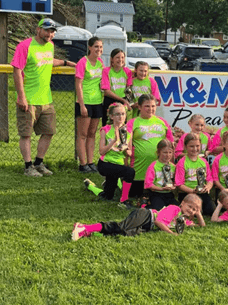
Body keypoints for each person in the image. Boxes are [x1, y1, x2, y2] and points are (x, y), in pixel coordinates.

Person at [11, 18, 77, 177]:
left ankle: (38, 163)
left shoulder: (50, 45)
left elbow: (48, 61)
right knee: (26, 134)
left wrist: (67, 63)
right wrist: (22, 97)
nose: (50, 33)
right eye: (47, 30)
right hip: (29, 98)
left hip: (46, 99)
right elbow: (17, 70)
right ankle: (28, 167)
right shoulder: (25, 46)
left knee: (49, 131)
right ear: (38, 30)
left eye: (52, 31)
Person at [71, 193, 205, 240]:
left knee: (125, 233)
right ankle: (84, 228)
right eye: (190, 207)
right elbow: (158, 221)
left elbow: (201, 227)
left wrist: (198, 214)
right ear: (182, 204)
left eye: (194, 209)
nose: (191, 210)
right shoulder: (174, 209)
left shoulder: (184, 221)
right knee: (121, 226)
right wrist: (171, 233)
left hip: (147, 226)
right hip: (146, 216)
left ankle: (92, 233)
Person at [83, 103, 135, 207]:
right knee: (130, 172)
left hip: (119, 165)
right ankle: (124, 200)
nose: (120, 117)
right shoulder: (105, 130)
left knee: (107, 196)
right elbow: (101, 151)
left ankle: (92, 185)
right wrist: (114, 141)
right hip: (106, 164)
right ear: (111, 116)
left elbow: (130, 153)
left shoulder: (128, 131)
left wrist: (125, 150)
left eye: (123, 114)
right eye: (117, 114)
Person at [126, 94, 175, 198]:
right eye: (147, 106)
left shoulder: (162, 122)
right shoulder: (132, 123)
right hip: (139, 172)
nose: (151, 109)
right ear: (139, 107)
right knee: (136, 195)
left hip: (160, 172)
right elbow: (127, 145)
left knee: (157, 195)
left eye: (153, 106)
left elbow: (171, 145)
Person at [75, 36, 105, 173]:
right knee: (83, 134)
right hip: (85, 101)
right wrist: (82, 105)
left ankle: (91, 162)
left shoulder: (100, 63)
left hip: (97, 101)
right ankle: (82, 164)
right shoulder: (83, 62)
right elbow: (78, 84)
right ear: (90, 47)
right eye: (96, 47)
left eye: (100, 47)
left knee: (92, 133)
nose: (99, 49)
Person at [175, 133, 217, 216]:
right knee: (192, 212)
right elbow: (179, 184)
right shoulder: (182, 162)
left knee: (211, 211)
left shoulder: (203, 161)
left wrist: (208, 186)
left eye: (197, 146)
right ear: (186, 147)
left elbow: (209, 179)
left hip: (202, 192)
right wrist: (192, 191)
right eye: (191, 146)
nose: (195, 149)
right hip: (188, 193)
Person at [100, 48, 133, 126]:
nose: (120, 60)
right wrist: (121, 100)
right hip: (110, 101)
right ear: (112, 59)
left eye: (122, 57)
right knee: (107, 126)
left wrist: (127, 102)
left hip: (122, 102)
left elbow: (128, 89)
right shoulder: (106, 71)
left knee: (121, 127)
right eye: (117, 57)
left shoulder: (127, 71)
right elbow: (107, 92)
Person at [144, 139, 178, 211]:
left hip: (169, 193)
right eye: (165, 152)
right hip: (156, 193)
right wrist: (161, 188)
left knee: (176, 209)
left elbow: (176, 181)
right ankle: (146, 204)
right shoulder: (153, 166)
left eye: (170, 152)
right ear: (158, 153)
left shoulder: (173, 167)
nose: (168, 155)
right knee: (160, 210)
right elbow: (148, 184)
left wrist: (174, 187)